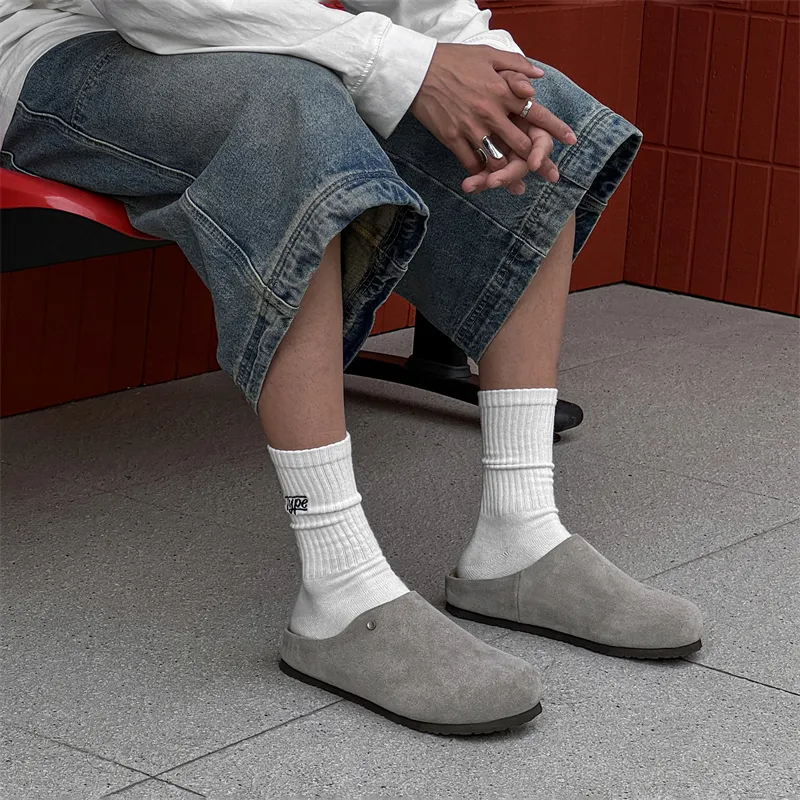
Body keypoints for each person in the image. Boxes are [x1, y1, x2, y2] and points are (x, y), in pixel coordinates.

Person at [0, 0, 703, 736]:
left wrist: (480, 70)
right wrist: (407, 65)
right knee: (289, 111)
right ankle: (338, 593)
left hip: (255, 35)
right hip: (53, 45)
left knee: (527, 97)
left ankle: (519, 537)